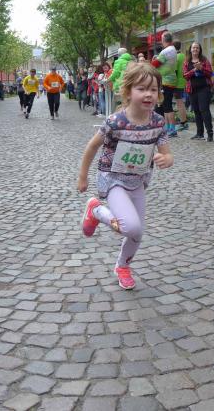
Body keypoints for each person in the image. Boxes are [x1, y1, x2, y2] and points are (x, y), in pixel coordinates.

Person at [78, 63, 173, 290]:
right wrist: (83, 177)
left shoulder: (158, 122)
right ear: (128, 92)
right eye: (142, 89)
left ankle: (123, 266)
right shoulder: (115, 122)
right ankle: (96, 211)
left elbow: (167, 153)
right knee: (131, 226)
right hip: (113, 180)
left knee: (136, 233)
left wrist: (166, 159)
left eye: (153, 89)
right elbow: (92, 146)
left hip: (138, 181)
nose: (148, 94)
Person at [183, 41, 214, 141]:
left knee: (204, 110)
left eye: (197, 48)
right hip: (192, 90)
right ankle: (199, 133)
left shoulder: (204, 60)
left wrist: (201, 68)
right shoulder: (187, 61)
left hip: (204, 88)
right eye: (193, 47)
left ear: (200, 50)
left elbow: (210, 73)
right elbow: (185, 76)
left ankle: (210, 133)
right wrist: (194, 70)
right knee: (196, 111)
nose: (195, 49)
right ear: (190, 49)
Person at [151, 32, 179, 136]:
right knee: (166, 105)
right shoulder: (173, 49)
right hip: (170, 79)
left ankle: (172, 129)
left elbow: (155, 64)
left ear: (163, 40)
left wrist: (153, 60)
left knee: (167, 106)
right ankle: (168, 127)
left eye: (161, 39)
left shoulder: (166, 51)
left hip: (166, 80)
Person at [173, 41, 189, 130]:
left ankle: (183, 123)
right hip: (184, 81)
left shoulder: (176, 57)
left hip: (177, 83)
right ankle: (184, 122)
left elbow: (174, 71)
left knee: (179, 103)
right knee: (181, 102)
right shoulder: (184, 56)